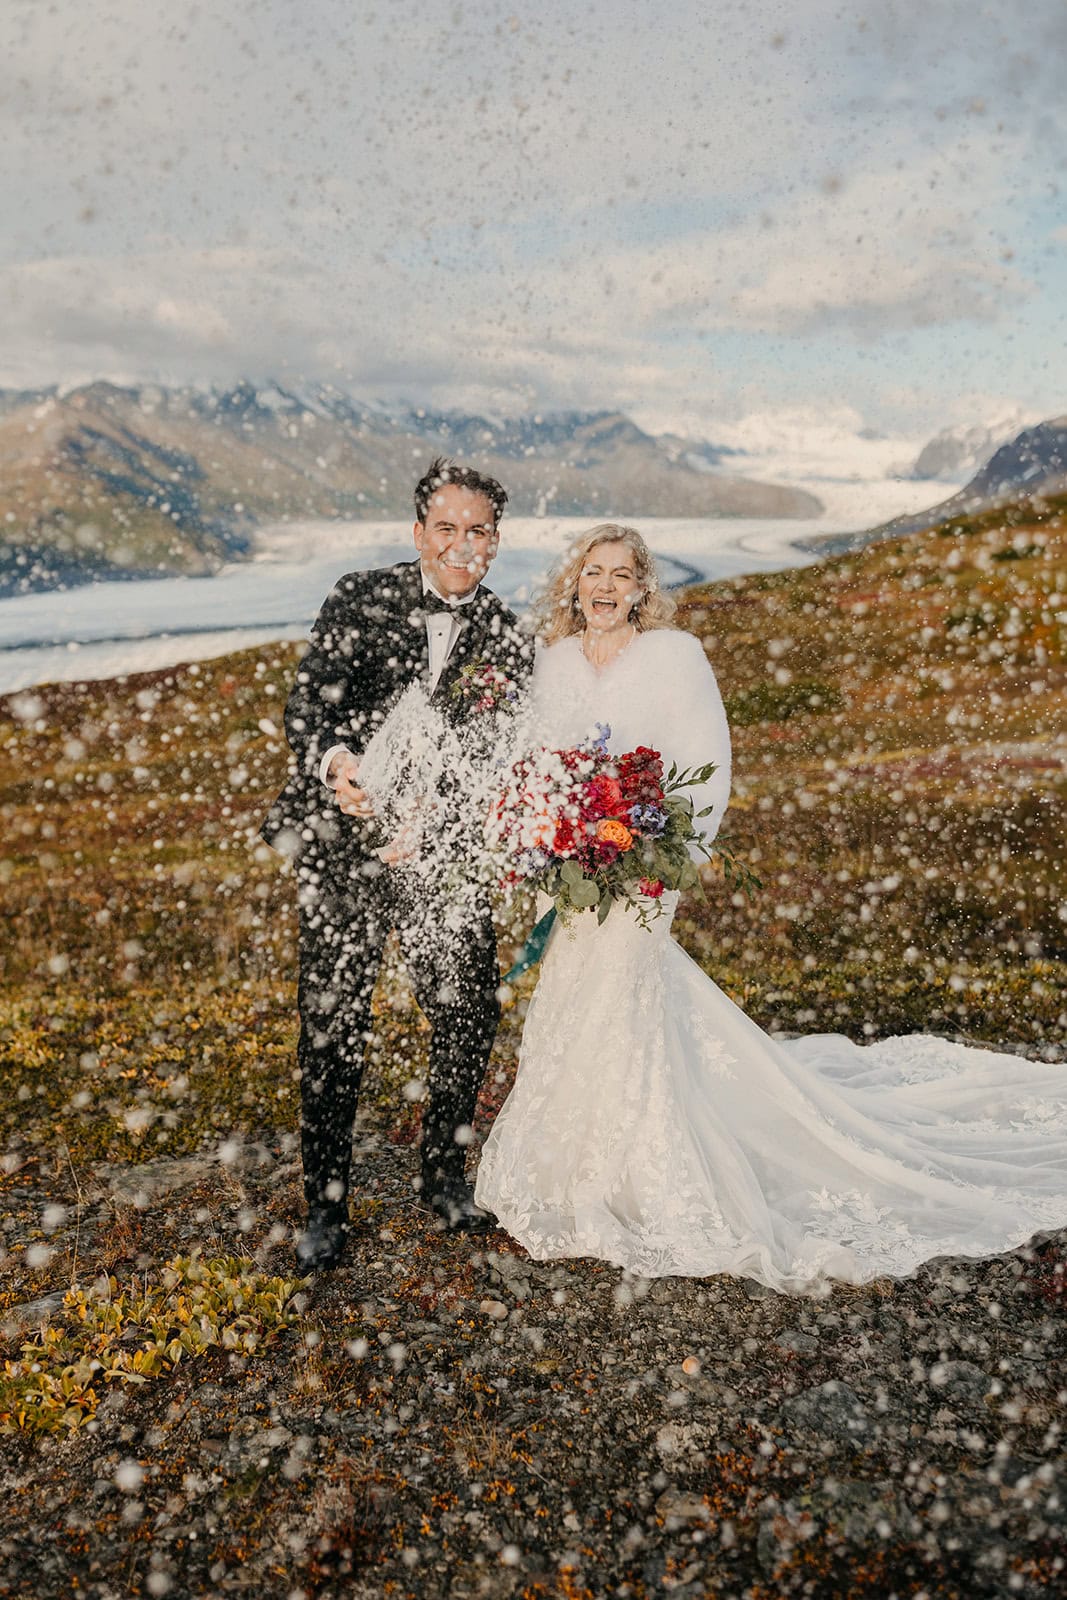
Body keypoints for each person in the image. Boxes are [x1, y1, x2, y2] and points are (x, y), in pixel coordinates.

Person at [474, 524, 1067, 1294]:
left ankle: (639, 1171)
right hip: (574, 867)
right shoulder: (551, 662)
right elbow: (534, 766)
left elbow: (705, 759)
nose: (605, 586)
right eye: (593, 571)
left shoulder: (675, 654)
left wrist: (668, 854)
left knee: (623, 993)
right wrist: (547, 837)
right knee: (573, 992)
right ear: (575, 582)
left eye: (621, 573)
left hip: (647, 861)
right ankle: (562, 1161)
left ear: (642, 588)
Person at [262, 457, 533, 1270]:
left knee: (468, 1009)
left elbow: (498, 751)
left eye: (477, 531)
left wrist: (446, 817)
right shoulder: (359, 595)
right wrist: (338, 766)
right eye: (445, 528)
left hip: (439, 859)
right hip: (341, 848)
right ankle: (326, 1208)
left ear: (495, 540)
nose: (460, 544)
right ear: (418, 533)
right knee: (333, 1020)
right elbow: (308, 705)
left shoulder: (508, 636)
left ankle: (443, 1176)